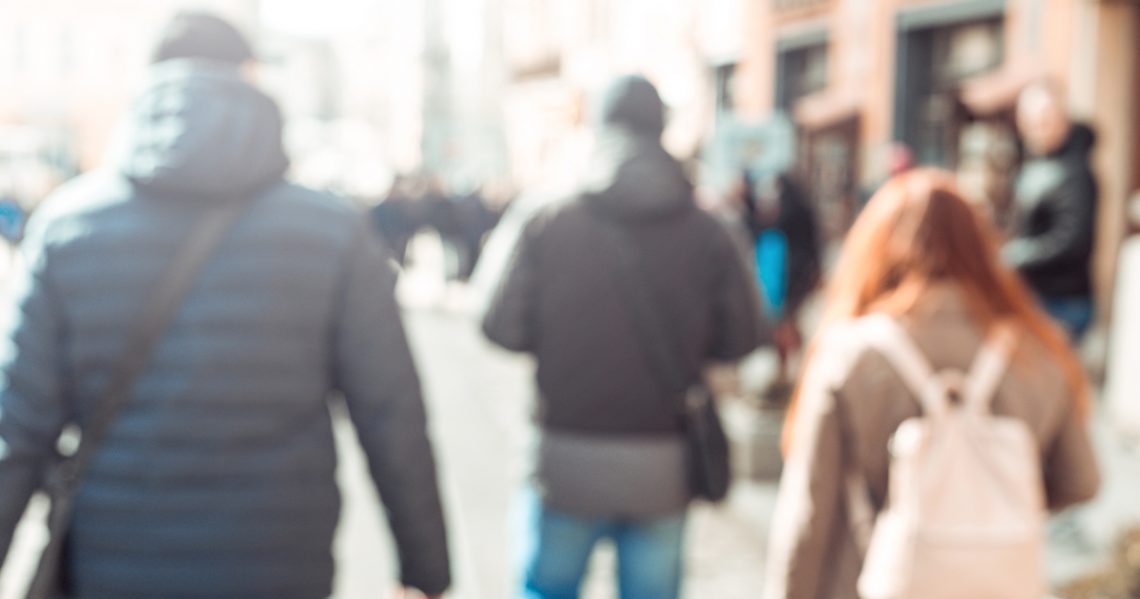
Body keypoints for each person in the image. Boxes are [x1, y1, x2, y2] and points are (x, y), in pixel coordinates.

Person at [0, 13, 449, 598]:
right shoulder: (333, 230)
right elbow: (392, 414)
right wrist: (426, 571)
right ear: (251, 78)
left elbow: (17, 429)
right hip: (278, 568)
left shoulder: (67, 226)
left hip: (116, 566)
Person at [482, 75, 766, 599]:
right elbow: (745, 335)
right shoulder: (710, 228)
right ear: (662, 129)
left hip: (565, 458)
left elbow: (498, 325)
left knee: (546, 588)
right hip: (663, 462)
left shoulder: (548, 216)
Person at [764, 169, 1099, 599]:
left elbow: (810, 514)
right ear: (982, 246)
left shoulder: (852, 353)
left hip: (869, 580)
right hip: (997, 584)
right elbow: (1081, 480)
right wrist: (987, 502)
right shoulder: (1037, 349)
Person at [1004, 81, 1099, 339]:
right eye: (1033, 122)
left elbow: (1072, 241)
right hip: (1036, 294)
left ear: (1063, 120)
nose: (1039, 130)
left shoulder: (1074, 172)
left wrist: (1015, 256)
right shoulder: (1035, 164)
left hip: (1063, 301)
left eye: (1046, 120)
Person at [741, 172, 822, 399]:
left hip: (790, 277)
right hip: (798, 277)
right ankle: (789, 369)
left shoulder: (790, 212)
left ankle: (788, 371)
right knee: (787, 323)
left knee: (784, 325)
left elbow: (761, 225)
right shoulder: (804, 211)